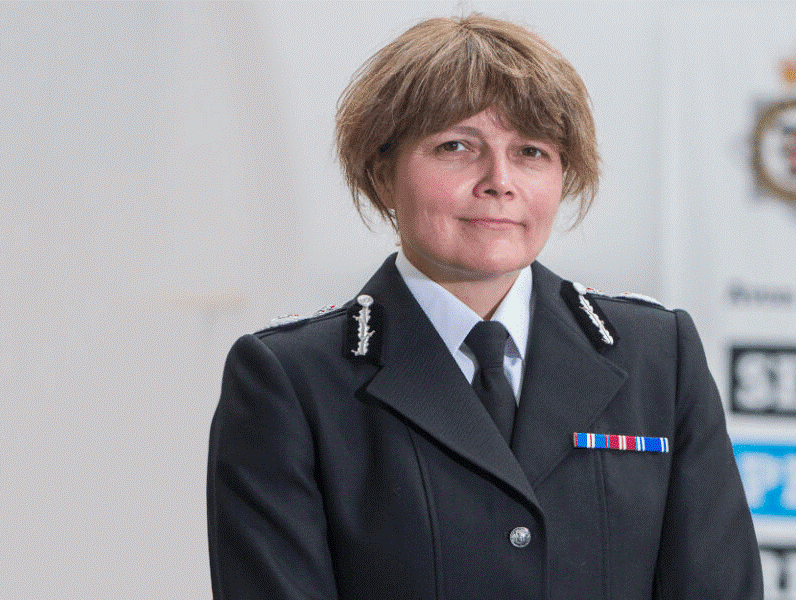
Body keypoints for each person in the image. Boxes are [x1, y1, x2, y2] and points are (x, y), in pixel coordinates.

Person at [207, 14, 763, 600]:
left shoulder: (658, 355)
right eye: (456, 146)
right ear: (381, 172)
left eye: (531, 151)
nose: (499, 181)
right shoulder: (290, 380)